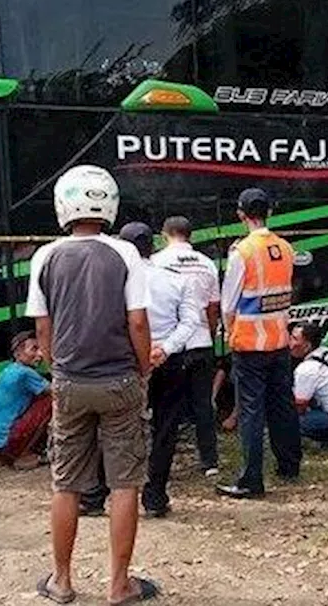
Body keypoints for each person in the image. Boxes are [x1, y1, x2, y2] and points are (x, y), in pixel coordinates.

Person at [26, 165, 159, 605]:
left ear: (63, 205)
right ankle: (119, 585)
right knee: (124, 482)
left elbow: (42, 330)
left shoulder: (44, 256)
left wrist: (55, 367)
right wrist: (143, 369)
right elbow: (137, 322)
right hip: (119, 379)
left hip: (69, 381)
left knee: (65, 482)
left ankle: (62, 581)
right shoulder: (125, 254)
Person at [216, 188, 301, 501]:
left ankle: (251, 479)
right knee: (282, 403)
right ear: (270, 212)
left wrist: (229, 331)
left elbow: (228, 302)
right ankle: (290, 464)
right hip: (279, 338)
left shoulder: (242, 252)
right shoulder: (286, 247)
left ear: (241, 214)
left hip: (250, 343)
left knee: (252, 411)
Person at [127, 221, 201, 517]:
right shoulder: (174, 279)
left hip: (129, 361)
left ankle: (98, 495)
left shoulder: (118, 281)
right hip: (168, 361)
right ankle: (155, 497)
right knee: (165, 428)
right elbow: (190, 321)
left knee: (118, 427)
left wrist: (140, 352)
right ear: (154, 245)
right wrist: (165, 348)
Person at [151, 216, 223, 477]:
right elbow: (213, 306)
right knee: (203, 403)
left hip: (171, 346)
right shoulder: (207, 264)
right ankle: (210, 461)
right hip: (202, 339)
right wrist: (211, 333)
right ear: (190, 235)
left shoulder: (157, 263)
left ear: (164, 235)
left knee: (165, 408)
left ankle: (160, 463)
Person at [0, 331, 52, 470]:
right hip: (8, 440)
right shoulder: (24, 373)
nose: (40, 355)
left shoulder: (10, 369)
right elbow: (58, 392)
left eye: (41, 349)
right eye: (34, 349)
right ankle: (22, 453)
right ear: (18, 353)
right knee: (50, 401)